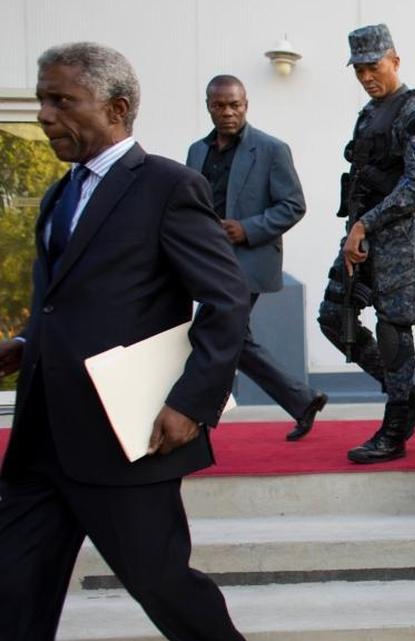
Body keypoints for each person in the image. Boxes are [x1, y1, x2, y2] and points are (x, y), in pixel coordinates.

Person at [0, 42, 250, 640]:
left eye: (62, 101)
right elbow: (67, 299)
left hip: (122, 439)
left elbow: (226, 300)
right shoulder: (61, 193)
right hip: (42, 440)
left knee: (164, 586)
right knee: (11, 588)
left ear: (115, 108)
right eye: (41, 101)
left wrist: (191, 404)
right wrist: (27, 341)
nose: (44, 115)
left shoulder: (168, 186)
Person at [317, 24, 415, 464]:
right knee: (334, 318)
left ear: (395, 60)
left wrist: (365, 225)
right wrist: (357, 228)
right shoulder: (370, 114)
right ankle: (409, 396)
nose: (367, 76)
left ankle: (394, 429)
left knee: (393, 328)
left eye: (374, 66)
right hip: (361, 236)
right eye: (359, 70)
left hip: (397, 239)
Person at [187, 75, 326, 441]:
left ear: (246, 105)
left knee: (210, 331)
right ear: (209, 107)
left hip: (247, 260)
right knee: (233, 338)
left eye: (235, 105)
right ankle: (302, 401)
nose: (228, 112)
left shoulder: (271, 149)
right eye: (220, 105)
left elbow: (293, 205)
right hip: (209, 260)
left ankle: (198, 414)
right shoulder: (196, 152)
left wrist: (246, 228)